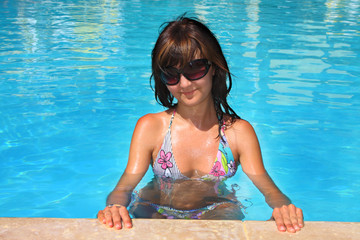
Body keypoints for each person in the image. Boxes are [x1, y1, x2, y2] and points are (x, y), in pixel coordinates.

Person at [97, 15, 304, 233]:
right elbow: (125, 185)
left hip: (216, 210)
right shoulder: (151, 127)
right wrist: (115, 206)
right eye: (171, 74)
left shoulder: (237, 133)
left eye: (194, 69)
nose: (184, 83)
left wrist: (282, 207)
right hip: (154, 208)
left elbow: (270, 190)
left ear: (214, 67)